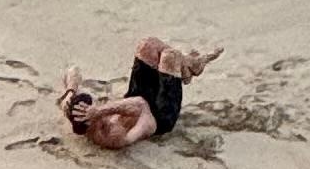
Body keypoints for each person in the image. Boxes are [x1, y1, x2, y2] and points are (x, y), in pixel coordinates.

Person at [59, 37, 218, 151]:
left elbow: (72, 71)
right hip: (158, 116)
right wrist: (100, 111)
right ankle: (190, 65)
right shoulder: (109, 136)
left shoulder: (80, 112)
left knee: (147, 45)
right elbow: (141, 105)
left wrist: (69, 92)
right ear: (90, 124)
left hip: (133, 101)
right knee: (170, 57)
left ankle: (190, 65)